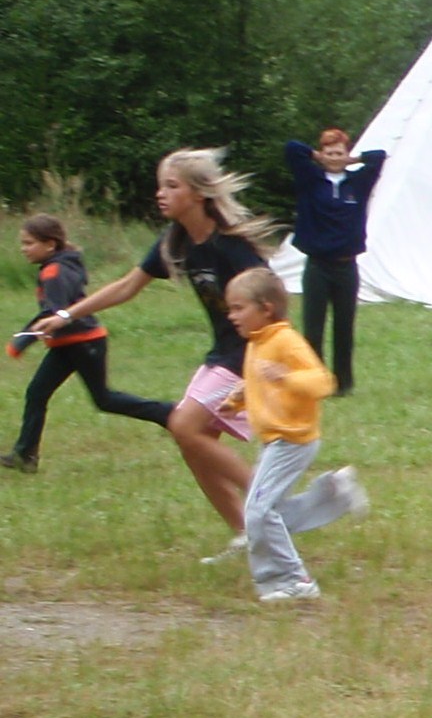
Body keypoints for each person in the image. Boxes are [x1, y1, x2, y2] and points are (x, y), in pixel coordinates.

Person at [33, 149, 274, 542]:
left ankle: (272, 503)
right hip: (223, 355)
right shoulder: (176, 241)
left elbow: (273, 302)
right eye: (161, 185)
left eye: (171, 186)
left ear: (198, 194)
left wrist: (276, 361)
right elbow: (127, 286)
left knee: (183, 425)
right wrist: (65, 315)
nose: (161, 193)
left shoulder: (230, 247)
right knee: (192, 443)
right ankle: (247, 534)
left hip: (249, 358)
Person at [219, 269, 369, 602]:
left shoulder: (285, 341)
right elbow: (260, 382)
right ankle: (334, 493)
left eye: (239, 308)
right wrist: (238, 399)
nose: (231, 316)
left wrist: (285, 376)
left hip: (291, 440)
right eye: (231, 309)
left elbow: (323, 382)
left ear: (266, 308)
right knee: (268, 513)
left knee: (258, 512)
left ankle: (294, 580)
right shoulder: (258, 342)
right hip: (275, 441)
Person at [2, 214, 173, 474]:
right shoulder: (63, 263)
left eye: (29, 243)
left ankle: (169, 414)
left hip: (83, 343)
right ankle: (25, 456)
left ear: (50, 244)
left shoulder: (54, 271)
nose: (23, 249)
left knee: (104, 399)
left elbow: (52, 313)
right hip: (67, 344)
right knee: (37, 393)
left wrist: (21, 341)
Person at [285, 128, 386, 396]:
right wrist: (316, 156)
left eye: (339, 153)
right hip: (318, 265)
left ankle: (343, 383)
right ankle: (315, 380)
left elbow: (379, 157)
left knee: (344, 327)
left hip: (346, 266)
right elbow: (292, 148)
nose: (334, 158)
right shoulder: (311, 180)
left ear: (347, 154)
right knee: (313, 328)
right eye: (329, 153)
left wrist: (353, 160)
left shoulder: (357, 183)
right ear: (322, 154)